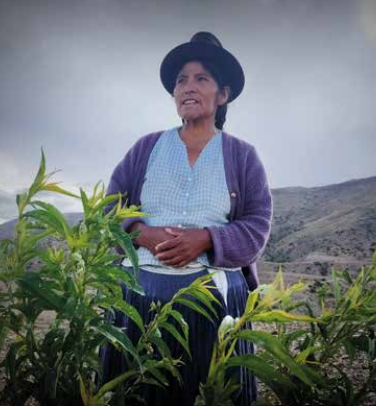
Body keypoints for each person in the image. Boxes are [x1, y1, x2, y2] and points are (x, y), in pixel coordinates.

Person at [101, 32, 272, 406]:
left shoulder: (242, 155)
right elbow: (109, 210)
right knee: (137, 391)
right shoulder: (146, 148)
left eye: (201, 78)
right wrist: (140, 233)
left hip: (214, 302)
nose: (188, 87)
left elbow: (258, 223)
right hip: (139, 297)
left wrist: (208, 238)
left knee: (212, 393)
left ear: (222, 95)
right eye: (181, 79)